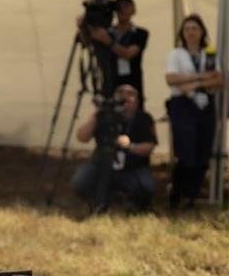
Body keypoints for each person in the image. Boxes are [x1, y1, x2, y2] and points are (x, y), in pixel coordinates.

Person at [164, 14, 223, 209]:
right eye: (187, 28)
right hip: (183, 105)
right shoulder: (176, 53)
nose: (191, 32)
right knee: (186, 151)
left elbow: (219, 80)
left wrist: (191, 81)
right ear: (182, 32)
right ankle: (177, 190)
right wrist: (200, 78)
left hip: (206, 104)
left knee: (203, 152)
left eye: (195, 28)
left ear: (202, 32)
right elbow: (171, 80)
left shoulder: (211, 54)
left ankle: (191, 195)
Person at [71, 83, 156, 213]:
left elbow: (149, 146)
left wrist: (130, 146)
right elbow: (82, 137)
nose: (125, 97)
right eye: (120, 93)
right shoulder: (104, 116)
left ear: (137, 101)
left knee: (146, 188)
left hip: (132, 168)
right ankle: (97, 202)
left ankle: (130, 202)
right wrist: (96, 115)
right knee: (80, 181)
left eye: (130, 94)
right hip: (101, 164)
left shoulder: (144, 118)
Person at [87, 0, 149, 101]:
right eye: (119, 7)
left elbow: (129, 54)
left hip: (132, 81)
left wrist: (108, 41)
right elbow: (89, 43)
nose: (122, 11)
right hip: (110, 81)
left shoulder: (140, 33)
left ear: (133, 10)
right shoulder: (108, 32)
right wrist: (85, 27)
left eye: (126, 6)